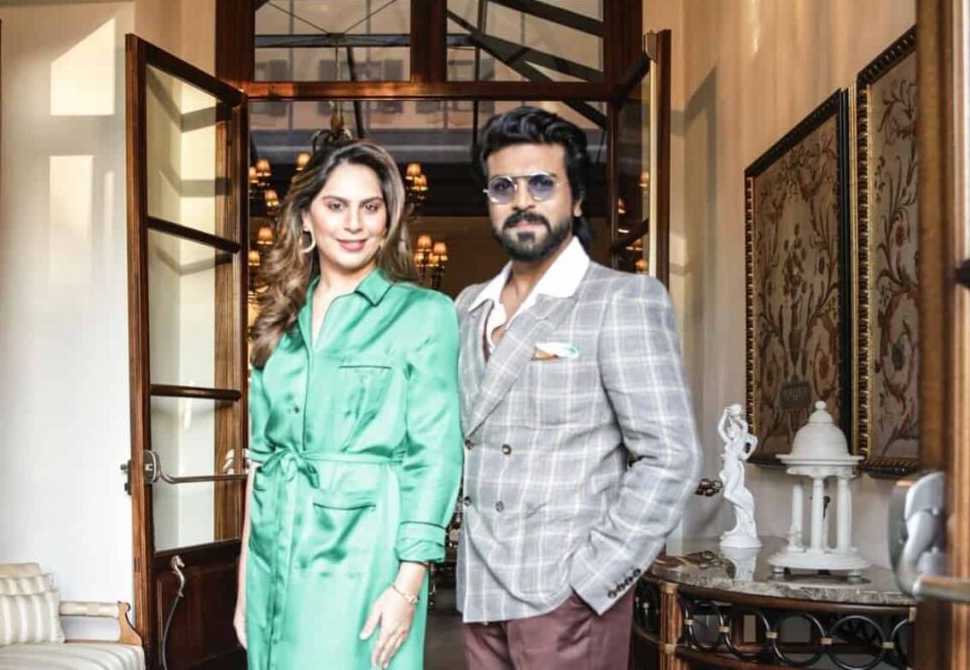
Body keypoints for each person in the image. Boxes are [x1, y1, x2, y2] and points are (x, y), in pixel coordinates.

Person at [455, 106, 702, 669]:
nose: (522, 201)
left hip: (566, 596)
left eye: (542, 183)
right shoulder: (467, 308)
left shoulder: (622, 299)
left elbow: (672, 456)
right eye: (503, 187)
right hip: (479, 591)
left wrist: (594, 579)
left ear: (577, 199)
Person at [234, 141, 463, 670]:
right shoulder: (276, 325)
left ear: (388, 220)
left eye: (370, 207)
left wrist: (407, 586)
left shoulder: (425, 314)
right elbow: (262, 465)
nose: (354, 223)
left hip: (365, 559)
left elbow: (435, 455)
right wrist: (247, 584)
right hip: (273, 557)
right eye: (336, 205)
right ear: (305, 217)